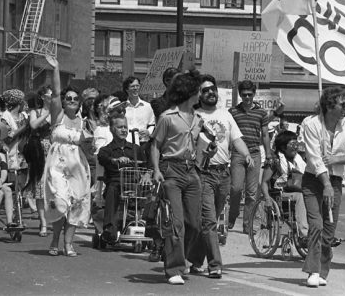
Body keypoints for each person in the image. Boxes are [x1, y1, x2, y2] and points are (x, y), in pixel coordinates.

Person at [187, 74, 251, 279]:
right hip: (203, 174)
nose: (210, 93)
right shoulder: (194, 115)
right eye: (205, 90)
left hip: (223, 174)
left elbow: (237, 138)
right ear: (199, 94)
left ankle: (195, 260)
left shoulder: (226, 115)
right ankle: (215, 264)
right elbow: (188, 143)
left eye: (212, 89)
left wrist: (247, 154)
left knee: (210, 221)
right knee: (209, 222)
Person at [151, 71, 209, 285]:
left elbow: (198, 147)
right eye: (199, 91)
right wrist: (156, 170)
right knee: (176, 223)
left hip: (192, 171)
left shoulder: (198, 119)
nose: (202, 94)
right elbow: (156, 145)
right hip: (171, 170)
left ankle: (179, 255)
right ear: (190, 92)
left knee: (194, 224)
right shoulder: (167, 117)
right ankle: (174, 268)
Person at [301, 86, 345, 287]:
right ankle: (313, 270)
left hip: (335, 181)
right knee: (316, 224)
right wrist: (324, 183)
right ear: (329, 105)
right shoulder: (311, 124)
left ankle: (323, 269)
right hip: (313, 180)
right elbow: (314, 157)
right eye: (342, 104)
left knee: (329, 229)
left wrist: (337, 158)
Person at [42, 56, 91, 257]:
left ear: (79, 103)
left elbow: (89, 147)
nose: (71, 100)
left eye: (75, 99)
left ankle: (68, 244)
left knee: (77, 204)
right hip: (57, 165)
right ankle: (54, 239)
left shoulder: (84, 122)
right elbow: (55, 94)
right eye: (68, 98)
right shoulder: (58, 117)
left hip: (77, 166)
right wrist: (56, 68)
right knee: (61, 201)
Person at [228, 80, 275, 234]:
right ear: (240, 94)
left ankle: (247, 224)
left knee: (252, 192)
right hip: (238, 153)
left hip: (255, 153)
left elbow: (265, 135)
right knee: (236, 188)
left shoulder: (261, 113)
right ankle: (233, 214)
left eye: (250, 94)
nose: (247, 97)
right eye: (244, 94)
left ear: (254, 94)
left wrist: (268, 154)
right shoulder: (233, 112)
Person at [97, 114, 144, 245]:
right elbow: (103, 159)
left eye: (125, 127)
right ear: (112, 129)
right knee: (113, 188)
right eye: (120, 127)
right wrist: (115, 160)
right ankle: (109, 230)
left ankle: (146, 226)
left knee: (147, 192)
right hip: (115, 183)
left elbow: (146, 165)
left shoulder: (136, 149)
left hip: (134, 183)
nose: (124, 130)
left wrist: (145, 176)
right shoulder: (106, 150)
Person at [260, 130, 308, 241]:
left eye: (296, 144)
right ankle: (304, 234)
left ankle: (322, 234)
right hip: (280, 193)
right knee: (300, 197)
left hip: (296, 189)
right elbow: (264, 182)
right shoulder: (274, 161)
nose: (295, 147)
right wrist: (267, 199)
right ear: (282, 147)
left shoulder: (299, 160)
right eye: (292, 145)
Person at [23, 85, 53, 237]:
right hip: (39, 150)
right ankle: (44, 222)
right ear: (42, 97)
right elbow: (34, 125)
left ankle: (54, 217)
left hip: (54, 151)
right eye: (49, 95)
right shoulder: (36, 111)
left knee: (55, 186)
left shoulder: (58, 112)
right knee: (40, 188)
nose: (52, 97)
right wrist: (46, 113)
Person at [123, 76, 155, 145]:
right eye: (132, 86)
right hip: (127, 143)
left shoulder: (147, 106)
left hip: (143, 142)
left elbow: (152, 124)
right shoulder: (123, 107)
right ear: (127, 89)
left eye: (137, 86)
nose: (135, 88)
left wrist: (148, 132)